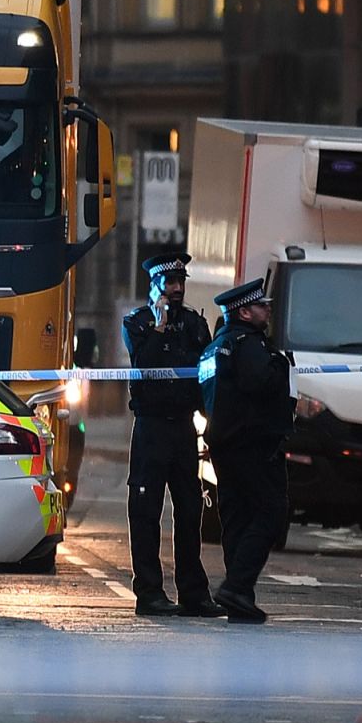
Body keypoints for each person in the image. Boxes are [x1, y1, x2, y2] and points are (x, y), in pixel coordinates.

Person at [121, 253, 223, 618]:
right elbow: (144, 366)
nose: (178, 289)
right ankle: (149, 593)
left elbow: (207, 375)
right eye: (171, 283)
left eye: (182, 282)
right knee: (146, 511)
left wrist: (211, 422)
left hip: (183, 427)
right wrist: (160, 326)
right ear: (155, 286)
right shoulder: (138, 323)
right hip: (151, 428)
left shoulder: (195, 324)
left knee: (190, 509)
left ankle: (193, 594)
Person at [198, 277, 295, 625]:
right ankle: (237, 587)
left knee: (237, 520)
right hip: (253, 445)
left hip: (224, 446)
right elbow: (260, 383)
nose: (267, 310)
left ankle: (239, 599)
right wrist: (282, 366)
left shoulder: (214, 348)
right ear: (244, 311)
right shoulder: (250, 343)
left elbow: (205, 396)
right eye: (261, 306)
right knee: (271, 513)